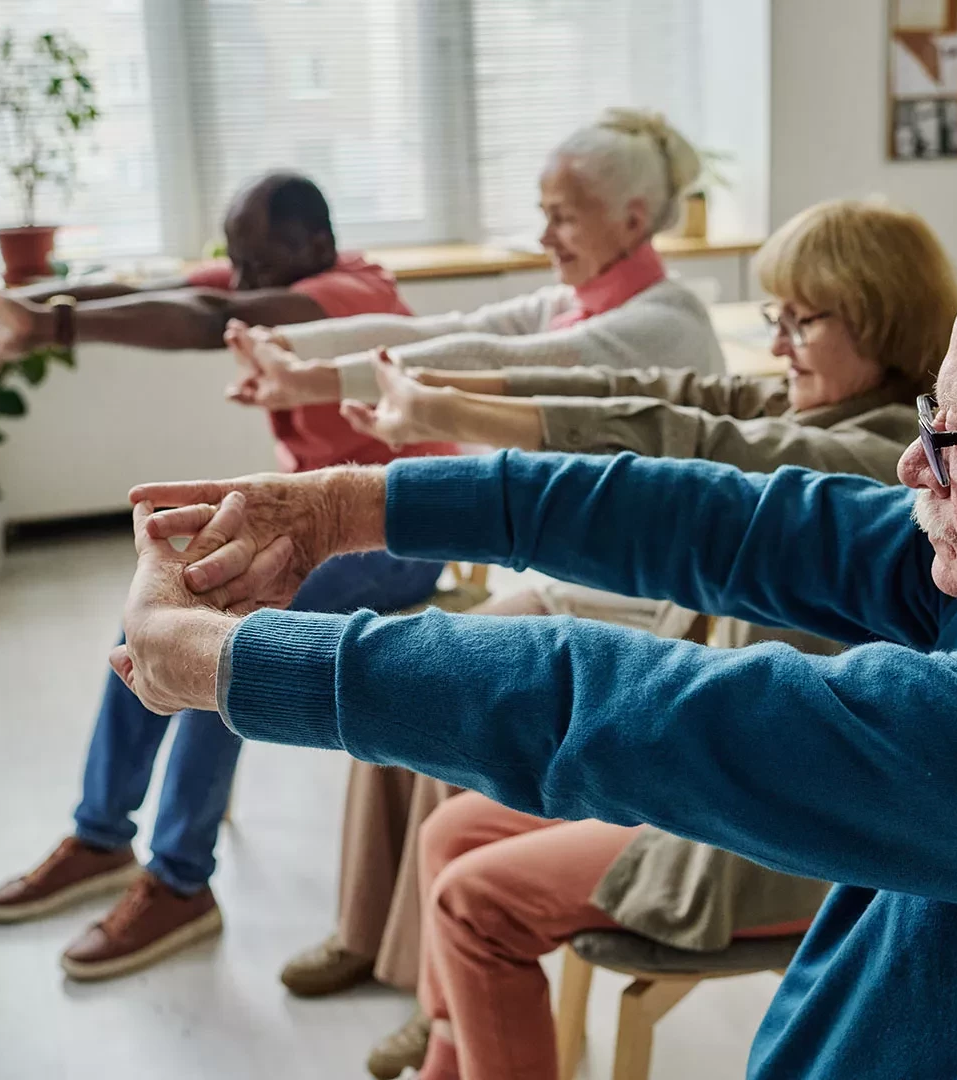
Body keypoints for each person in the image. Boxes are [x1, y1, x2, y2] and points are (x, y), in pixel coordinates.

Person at [119, 226, 957, 1079]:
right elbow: (721, 522)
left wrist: (234, 662)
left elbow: (627, 709)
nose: (912, 462)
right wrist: (352, 508)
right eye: (926, 414)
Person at [348, 199, 957, 1078]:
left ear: (882, 316)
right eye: (773, 318)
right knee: (453, 832)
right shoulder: (826, 403)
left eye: (804, 320)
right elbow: (662, 397)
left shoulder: (881, 452)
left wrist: (450, 430)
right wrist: (444, 402)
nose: (779, 343)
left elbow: (695, 439)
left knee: (472, 900)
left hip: (784, 825)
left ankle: (463, 1038)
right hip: (720, 770)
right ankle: (456, 1050)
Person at [221, 107, 726, 1000]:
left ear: (634, 220)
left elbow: (497, 360)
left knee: (434, 698)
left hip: (642, 611)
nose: (544, 235)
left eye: (562, 215)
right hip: (570, 589)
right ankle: (369, 931)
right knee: (383, 682)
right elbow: (429, 332)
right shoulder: (576, 296)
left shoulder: (663, 322)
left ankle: (433, 985)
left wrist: (311, 377)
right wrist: (293, 353)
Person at [0, 172, 452, 981]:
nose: (238, 280)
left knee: (215, 644)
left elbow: (203, 320)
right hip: (316, 517)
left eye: (254, 261)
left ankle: (180, 881)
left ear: (314, 247)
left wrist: (52, 323)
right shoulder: (272, 275)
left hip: (400, 531)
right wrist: (33, 305)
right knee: (148, 616)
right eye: (231, 259)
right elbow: (149, 287)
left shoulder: (343, 297)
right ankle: (101, 835)